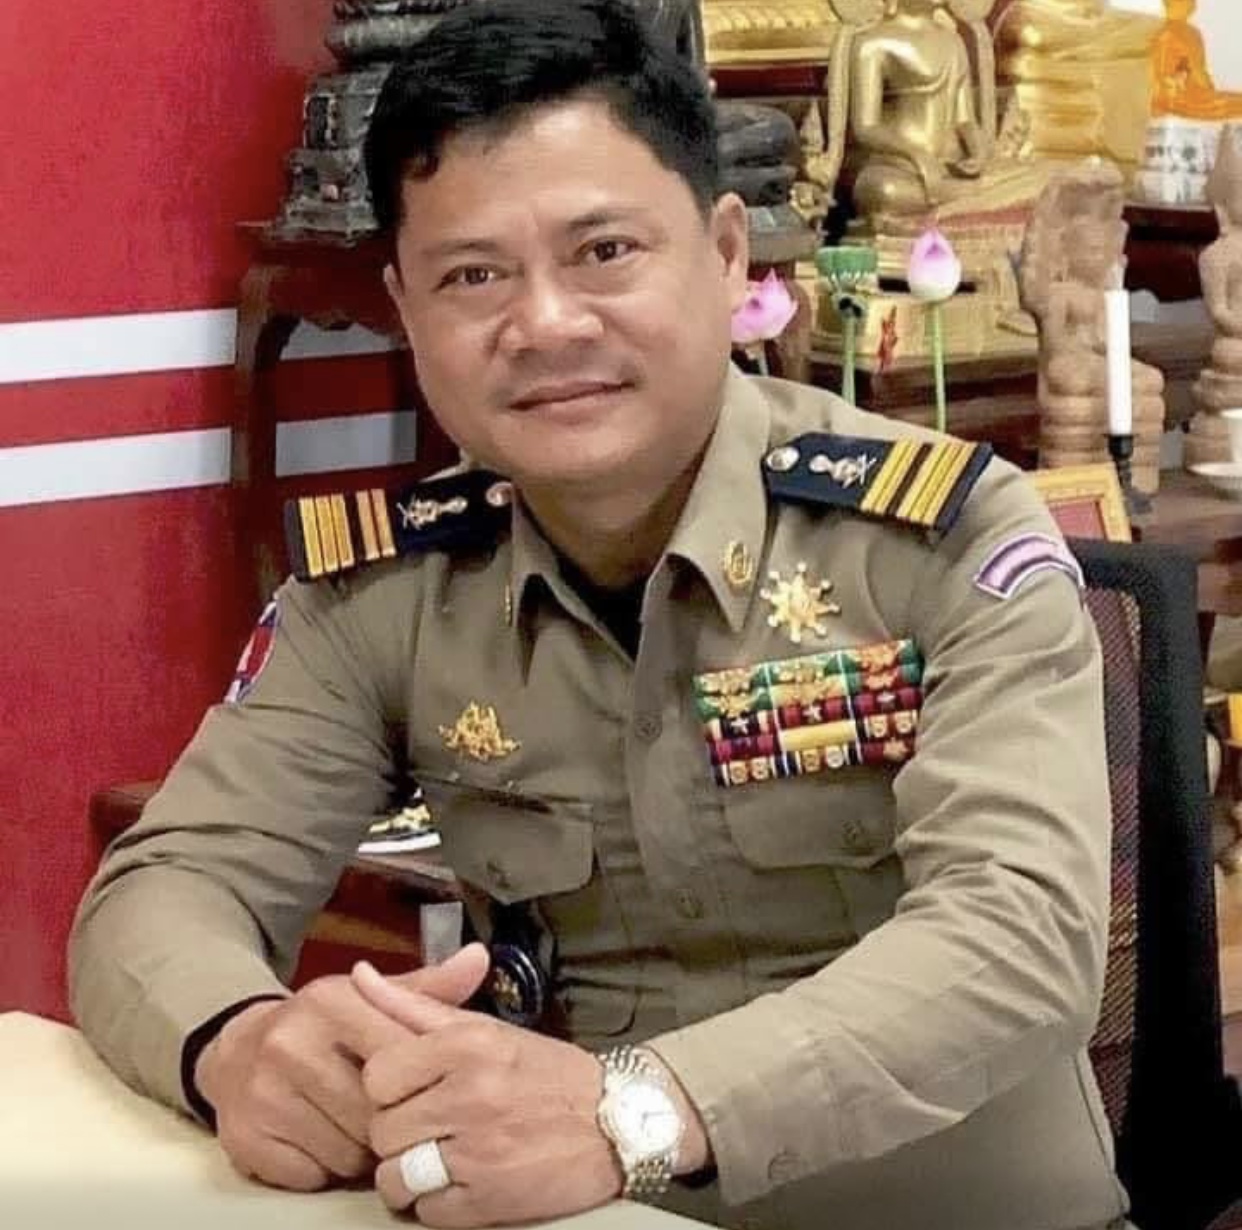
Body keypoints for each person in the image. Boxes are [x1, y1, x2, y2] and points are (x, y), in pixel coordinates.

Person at [69, 2, 1122, 1228]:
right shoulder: (387, 587)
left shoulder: (944, 534)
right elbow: (173, 878)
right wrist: (237, 1041)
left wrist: (634, 1111)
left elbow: (1020, 937)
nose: (547, 324)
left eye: (605, 251)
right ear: (406, 308)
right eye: (473, 276)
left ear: (726, 256)